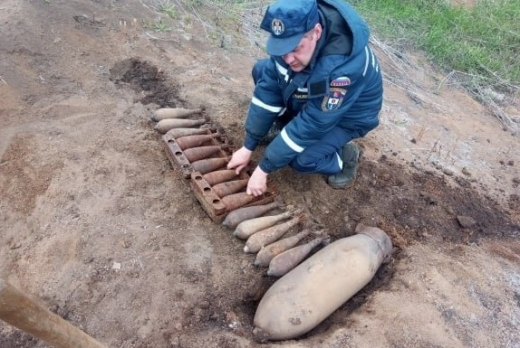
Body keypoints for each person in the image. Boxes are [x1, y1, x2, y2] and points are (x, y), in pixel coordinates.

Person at [227, 0, 383, 196]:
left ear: (316, 32)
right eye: (282, 50)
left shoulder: (344, 70)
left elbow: (315, 122)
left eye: (296, 48)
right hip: (314, 97)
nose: (288, 58)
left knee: (302, 160)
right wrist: (248, 145)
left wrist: (263, 169)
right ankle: (284, 128)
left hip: (346, 118)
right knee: (262, 70)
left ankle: (345, 157)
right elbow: (269, 90)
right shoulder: (288, 44)